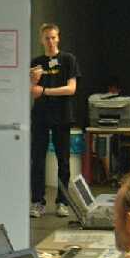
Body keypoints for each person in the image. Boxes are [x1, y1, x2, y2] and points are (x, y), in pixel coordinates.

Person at [30, 23, 80, 218]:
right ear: (41, 40)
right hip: (41, 116)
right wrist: (34, 81)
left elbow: (71, 88)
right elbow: (33, 92)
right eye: (46, 38)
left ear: (58, 38)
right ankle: (37, 202)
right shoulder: (37, 62)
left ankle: (62, 202)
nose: (50, 41)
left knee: (63, 161)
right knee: (37, 160)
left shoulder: (68, 59)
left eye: (53, 37)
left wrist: (45, 91)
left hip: (62, 116)